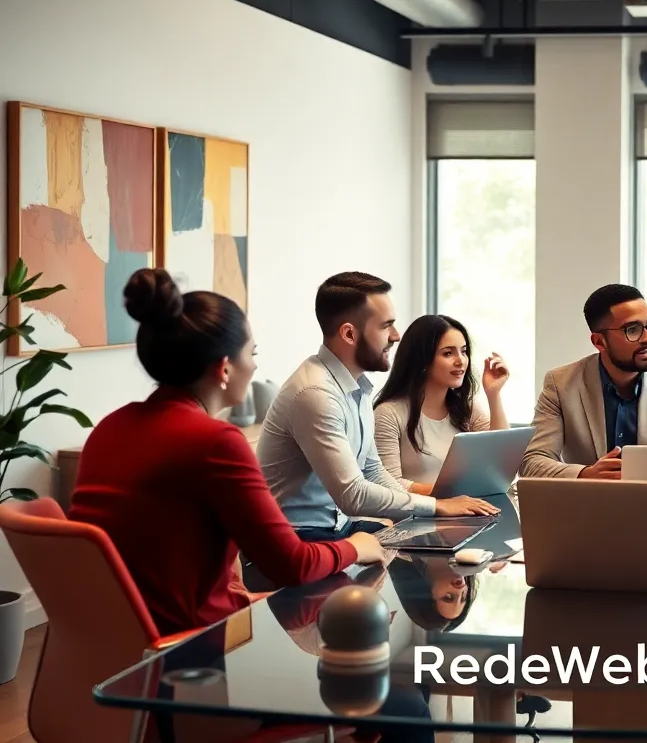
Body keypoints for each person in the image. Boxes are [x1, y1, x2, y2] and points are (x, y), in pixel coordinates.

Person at [69, 269, 385, 636]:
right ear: (224, 368)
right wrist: (355, 547)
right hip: (193, 649)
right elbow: (291, 565)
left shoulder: (108, 429)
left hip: (111, 639)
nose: (254, 366)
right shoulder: (216, 442)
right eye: (251, 353)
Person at [259, 272, 497, 543]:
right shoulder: (315, 393)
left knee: (441, 538)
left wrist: (438, 509)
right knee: (422, 551)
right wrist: (437, 505)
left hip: (338, 527)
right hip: (296, 536)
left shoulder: (356, 387)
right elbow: (353, 495)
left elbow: (372, 472)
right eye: (386, 326)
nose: (396, 336)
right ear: (349, 333)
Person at [520, 284, 647, 480]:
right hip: (588, 504)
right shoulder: (561, 385)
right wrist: (586, 474)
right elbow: (532, 462)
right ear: (599, 342)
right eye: (632, 330)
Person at [374, 314, 511, 488]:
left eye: (464, 351)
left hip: (467, 510)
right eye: (448, 353)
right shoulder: (388, 414)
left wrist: (494, 395)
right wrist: (452, 493)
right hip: (415, 514)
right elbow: (388, 486)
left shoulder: (466, 409)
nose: (460, 361)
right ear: (422, 360)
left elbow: (501, 462)